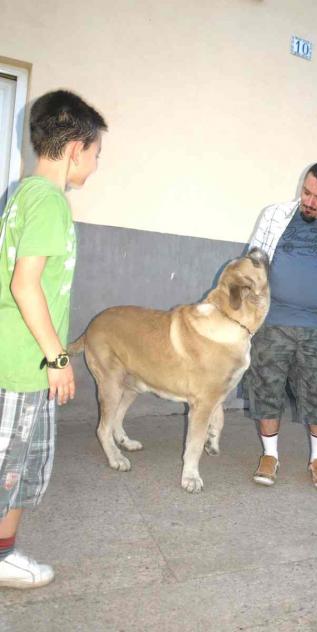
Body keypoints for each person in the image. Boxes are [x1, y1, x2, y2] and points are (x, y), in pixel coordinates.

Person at [0, 90, 107, 589]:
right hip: (25, 362)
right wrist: (58, 358)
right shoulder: (48, 201)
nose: (96, 165)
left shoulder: (23, 193)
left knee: (17, 467)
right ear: (75, 149)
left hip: (19, 355)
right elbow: (25, 285)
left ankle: (4, 552)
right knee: (11, 468)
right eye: (97, 153)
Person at [245, 161, 317, 489]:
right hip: (273, 321)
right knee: (266, 388)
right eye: (306, 192)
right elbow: (254, 260)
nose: (309, 201)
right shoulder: (275, 215)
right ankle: (270, 455)